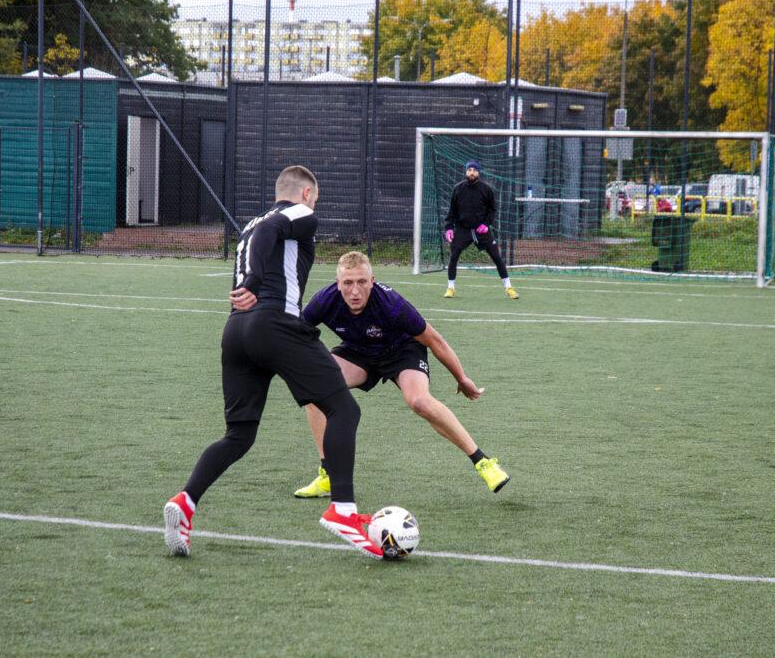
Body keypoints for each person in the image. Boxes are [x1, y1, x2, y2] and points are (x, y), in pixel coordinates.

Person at [163, 166, 383, 559]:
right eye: (315, 199)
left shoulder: (250, 224)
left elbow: (264, 234)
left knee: (239, 435)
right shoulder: (298, 213)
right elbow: (271, 233)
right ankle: (343, 511)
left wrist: (250, 283)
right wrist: (254, 281)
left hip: (236, 331)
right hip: (274, 325)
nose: (314, 207)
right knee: (344, 409)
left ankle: (185, 501)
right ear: (306, 193)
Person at [293, 251, 509, 499]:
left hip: (402, 350)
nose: (355, 291)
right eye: (348, 283)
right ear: (337, 283)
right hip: (358, 351)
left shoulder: (391, 303)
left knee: (419, 401)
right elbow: (296, 333)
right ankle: (329, 475)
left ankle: (484, 463)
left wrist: (461, 378)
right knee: (314, 388)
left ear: (372, 281)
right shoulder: (325, 300)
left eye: (362, 282)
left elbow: (435, 340)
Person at [443, 159, 518, 300]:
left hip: (481, 230)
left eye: (474, 170)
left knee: (496, 257)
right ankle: (450, 287)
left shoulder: (486, 189)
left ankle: (508, 287)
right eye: (469, 170)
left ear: (479, 172)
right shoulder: (458, 189)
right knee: (453, 257)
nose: (471, 173)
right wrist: (449, 228)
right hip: (463, 229)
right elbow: (452, 211)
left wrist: (486, 224)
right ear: (466, 172)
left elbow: (492, 210)